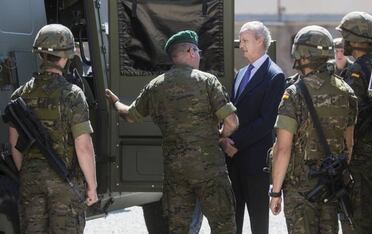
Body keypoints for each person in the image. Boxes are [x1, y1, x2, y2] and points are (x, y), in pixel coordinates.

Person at [105, 30, 238, 233]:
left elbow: (130, 115)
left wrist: (115, 102)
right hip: (210, 171)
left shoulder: (156, 86)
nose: (200, 56)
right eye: (198, 51)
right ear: (190, 51)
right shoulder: (208, 82)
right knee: (223, 226)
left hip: (176, 173)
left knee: (178, 227)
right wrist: (219, 135)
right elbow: (232, 122)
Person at [7, 24, 98, 233]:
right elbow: (83, 146)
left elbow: (14, 144)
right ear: (65, 55)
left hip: (31, 184)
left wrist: (29, 172)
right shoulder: (72, 94)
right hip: (64, 185)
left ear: (39, 54)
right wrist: (92, 186)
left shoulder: (19, 95)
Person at [269, 25, 358, 233]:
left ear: (301, 54)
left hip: (301, 189)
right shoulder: (347, 92)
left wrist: (275, 192)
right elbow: (349, 145)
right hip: (331, 184)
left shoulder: (294, 94)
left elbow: (283, 148)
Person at [220, 21, 285, 234]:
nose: (241, 46)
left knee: (258, 223)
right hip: (234, 161)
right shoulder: (241, 74)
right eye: (240, 41)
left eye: (246, 41)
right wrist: (224, 139)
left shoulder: (274, 75)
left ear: (260, 41)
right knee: (233, 221)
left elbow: (266, 121)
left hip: (256, 162)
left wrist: (235, 143)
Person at [336, 11, 372, 233]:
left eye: (345, 37)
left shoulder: (356, 71)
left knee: (359, 220)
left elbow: (352, 113)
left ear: (355, 40)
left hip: (360, 154)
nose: (343, 42)